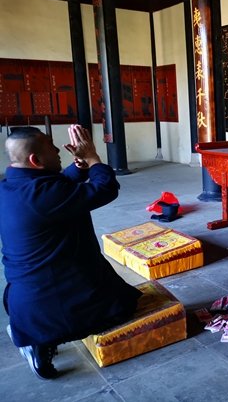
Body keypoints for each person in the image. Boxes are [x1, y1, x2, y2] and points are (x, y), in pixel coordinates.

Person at [0, 125, 142, 379]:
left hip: (22, 297)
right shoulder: (43, 195)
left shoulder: (10, 187)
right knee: (123, 307)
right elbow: (105, 188)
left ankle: (30, 330)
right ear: (36, 160)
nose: (58, 150)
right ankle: (41, 342)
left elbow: (57, 184)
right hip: (52, 296)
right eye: (51, 147)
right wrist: (93, 157)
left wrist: (80, 166)